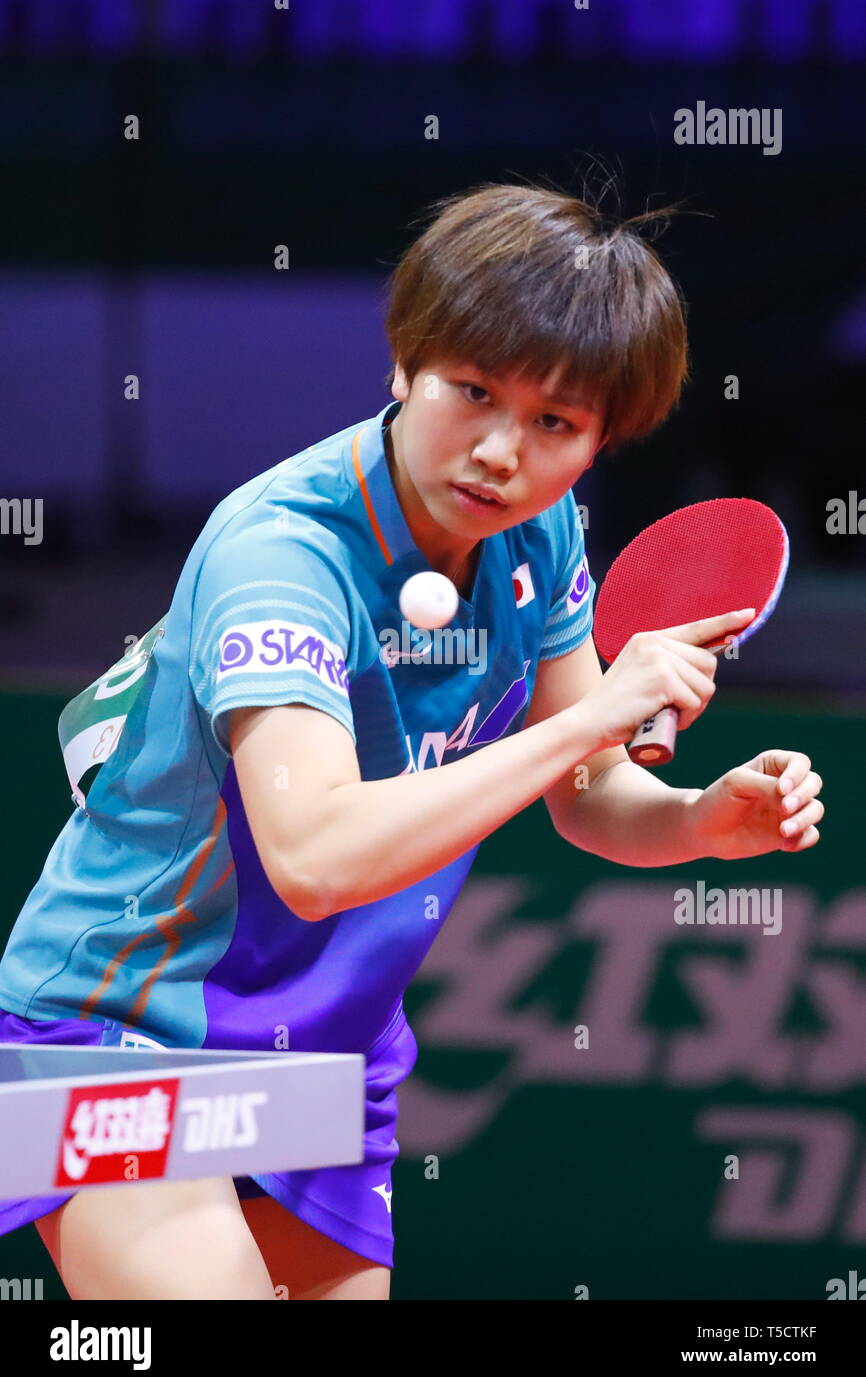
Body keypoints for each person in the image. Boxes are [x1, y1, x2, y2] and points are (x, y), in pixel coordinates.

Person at [0, 182, 824, 1300]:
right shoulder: (283, 558)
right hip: (120, 1026)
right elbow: (314, 858)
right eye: (471, 392)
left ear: (598, 440)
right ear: (405, 364)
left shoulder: (540, 532)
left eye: (554, 424)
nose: (498, 451)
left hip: (326, 1055)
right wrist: (592, 716)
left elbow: (584, 794)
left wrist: (698, 821)